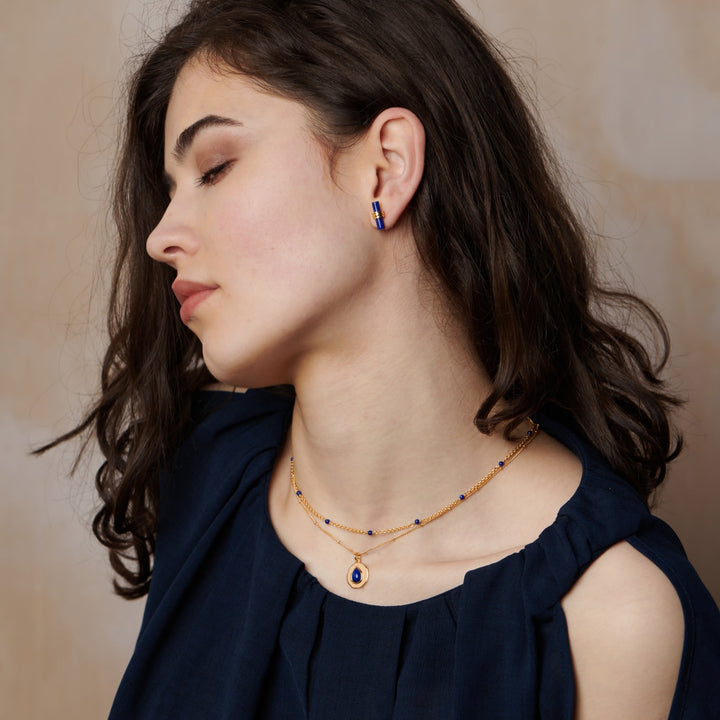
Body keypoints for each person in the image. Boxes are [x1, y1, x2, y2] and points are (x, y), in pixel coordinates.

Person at [46, 0, 720, 717]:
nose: (160, 238)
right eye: (170, 190)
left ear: (386, 169)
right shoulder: (208, 474)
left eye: (214, 168)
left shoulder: (618, 619)